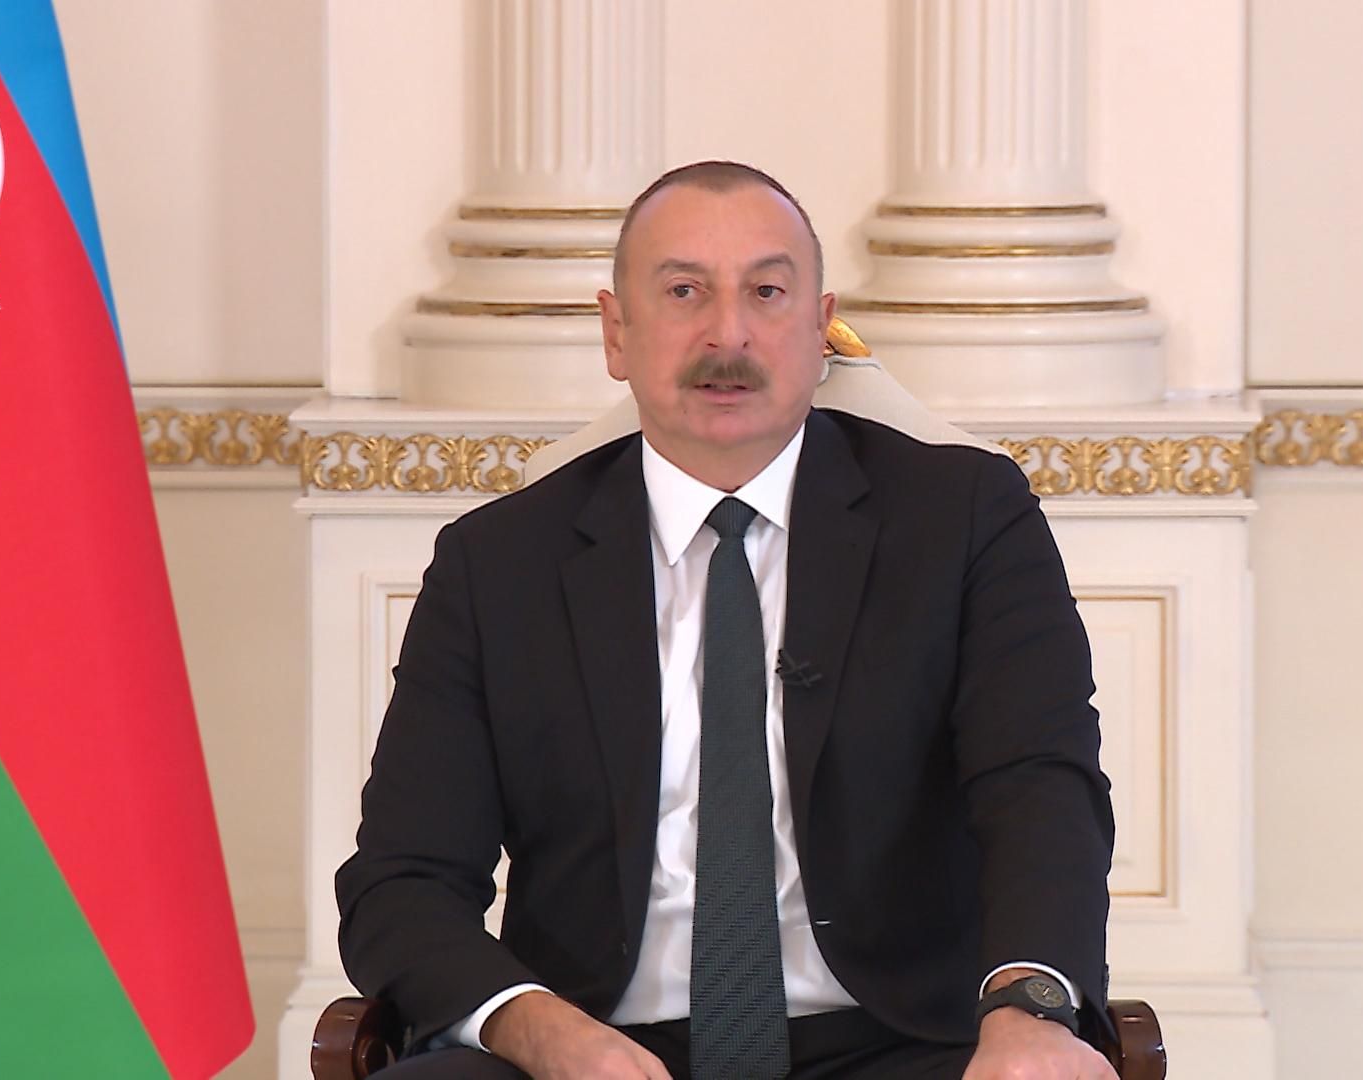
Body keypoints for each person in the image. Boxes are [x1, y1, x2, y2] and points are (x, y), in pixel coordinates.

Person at [337, 161, 1118, 1080]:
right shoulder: (498, 564)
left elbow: (1040, 789)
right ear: (616, 332)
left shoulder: (965, 519)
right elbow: (403, 880)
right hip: (589, 1042)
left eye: (767, 293)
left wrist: (1031, 1011)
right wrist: (540, 1030)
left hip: (901, 1041)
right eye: (684, 292)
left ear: (821, 328)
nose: (728, 334)